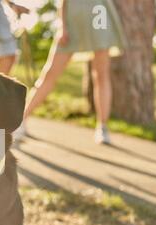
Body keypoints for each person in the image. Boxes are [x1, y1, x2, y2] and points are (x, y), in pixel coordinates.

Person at [20, 0, 127, 144]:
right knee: (50, 74)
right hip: (72, 19)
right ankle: (21, 119)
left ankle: (103, 127)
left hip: (99, 14)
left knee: (101, 75)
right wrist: (62, 25)